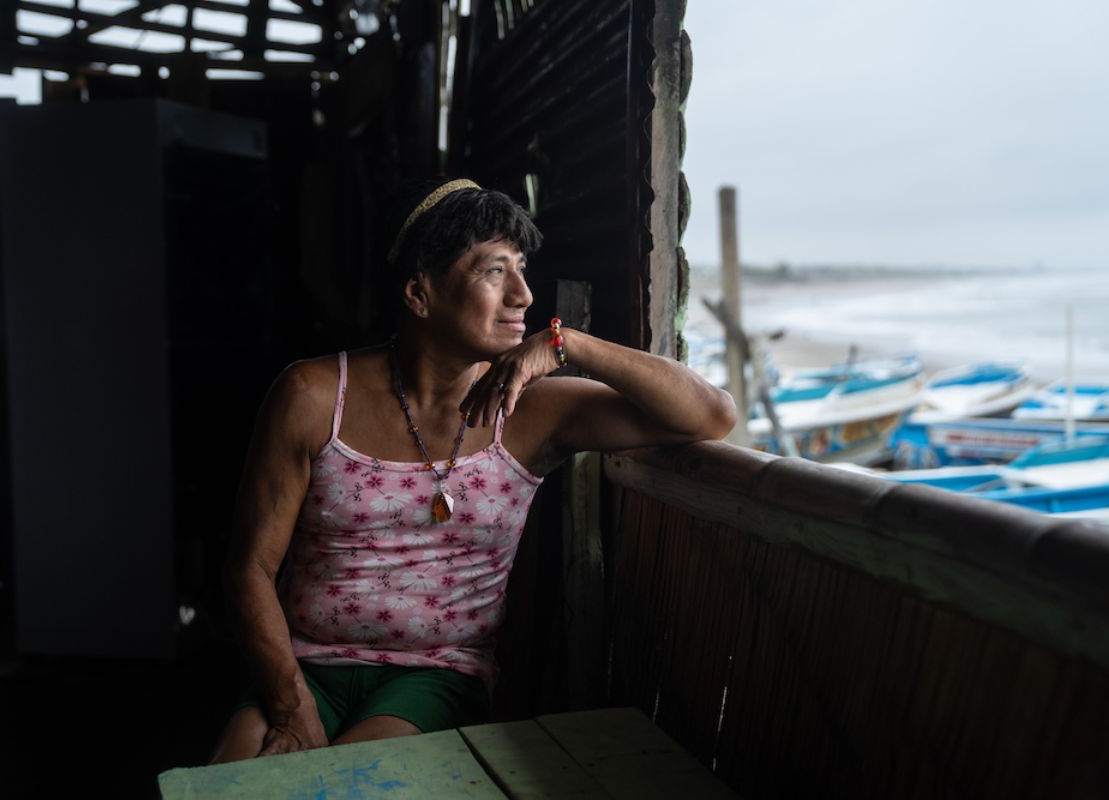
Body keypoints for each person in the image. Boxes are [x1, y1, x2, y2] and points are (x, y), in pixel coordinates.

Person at [209, 178, 736, 763]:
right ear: (419, 293)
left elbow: (712, 415)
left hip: (434, 677)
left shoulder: (536, 412)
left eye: (521, 268)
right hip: (301, 666)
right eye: (493, 271)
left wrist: (568, 345)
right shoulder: (311, 395)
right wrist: (290, 705)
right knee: (226, 782)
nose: (523, 295)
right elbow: (249, 567)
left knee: (341, 783)